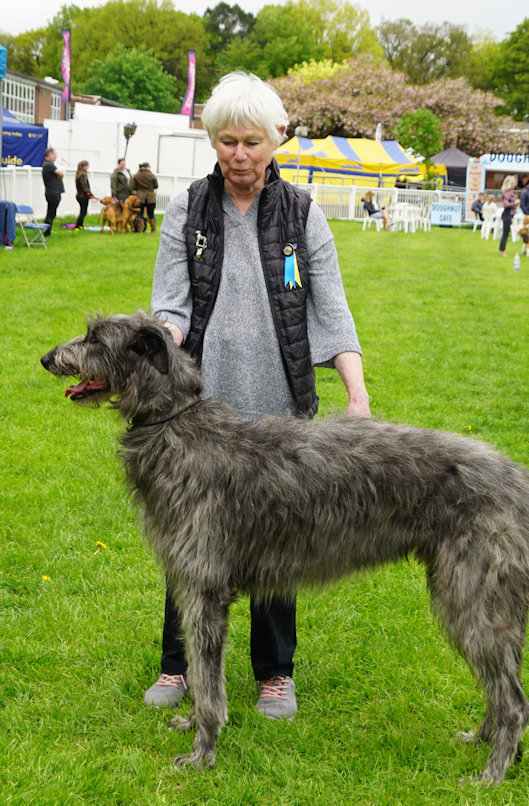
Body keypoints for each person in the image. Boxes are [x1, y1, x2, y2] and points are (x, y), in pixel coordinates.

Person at [148, 71, 370, 718]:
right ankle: (178, 664)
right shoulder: (189, 208)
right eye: (226, 142)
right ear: (213, 142)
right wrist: (161, 343)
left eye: (250, 141)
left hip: (281, 411)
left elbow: (331, 312)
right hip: (199, 415)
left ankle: (275, 672)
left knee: (279, 541)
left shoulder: (303, 214)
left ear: (277, 139)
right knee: (190, 541)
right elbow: (172, 303)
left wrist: (355, 397)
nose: (238, 155)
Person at [42, 147, 65, 238]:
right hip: (53, 193)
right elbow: (61, 174)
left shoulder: (49, 165)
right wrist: (59, 175)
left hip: (53, 193)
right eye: (55, 155)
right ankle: (47, 232)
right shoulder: (49, 165)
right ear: (50, 155)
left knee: (51, 213)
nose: (55, 157)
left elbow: (60, 176)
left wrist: (59, 176)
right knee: (51, 214)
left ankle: (47, 231)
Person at [133, 162, 159, 232]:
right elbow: (156, 186)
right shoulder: (152, 175)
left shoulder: (136, 175)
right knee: (151, 214)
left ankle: (140, 230)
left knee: (140, 214)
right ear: (147, 167)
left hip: (140, 198)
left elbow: (134, 187)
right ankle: (153, 230)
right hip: (151, 197)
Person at [498, 175, 518, 256]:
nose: (515, 184)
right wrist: (515, 203)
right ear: (510, 183)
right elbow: (506, 204)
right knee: (505, 233)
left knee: (506, 233)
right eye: (513, 182)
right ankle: (502, 251)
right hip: (507, 214)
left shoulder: (510, 192)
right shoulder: (507, 192)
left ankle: (502, 249)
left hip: (510, 214)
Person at [75, 161, 94, 230]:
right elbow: (85, 186)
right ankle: (78, 226)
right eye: (87, 166)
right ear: (84, 166)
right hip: (83, 196)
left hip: (79, 195)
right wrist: (90, 195)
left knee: (82, 212)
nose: (88, 167)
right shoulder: (82, 174)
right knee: (83, 212)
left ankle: (80, 226)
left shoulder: (79, 173)